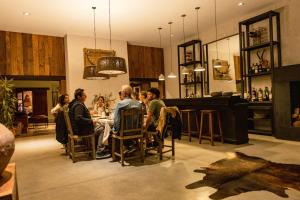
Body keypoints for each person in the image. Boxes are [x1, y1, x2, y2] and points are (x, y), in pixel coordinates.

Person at [69, 88, 110, 159]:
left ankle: (94, 147)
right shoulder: (78, 105)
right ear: (79, 97)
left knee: (99, 126)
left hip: (79, 129)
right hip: (82, 131)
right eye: (84, 95)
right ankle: (99, 151)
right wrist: (91, 121)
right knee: (102, 128)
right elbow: (78, 118)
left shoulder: (76, 103)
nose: (86, 96)